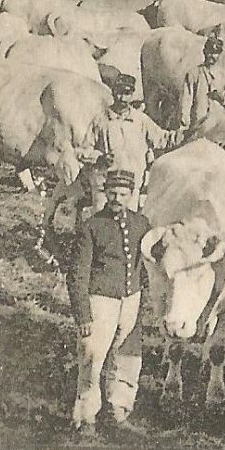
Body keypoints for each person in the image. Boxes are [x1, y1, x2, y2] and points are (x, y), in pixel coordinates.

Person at [67, 169, 151, 434]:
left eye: (122, 194)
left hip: (131, 300)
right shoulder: (91, 226)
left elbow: (148, 263)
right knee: (92, 357)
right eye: (112, 193)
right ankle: (86, 416)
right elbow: (77, 274)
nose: (116, 199)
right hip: (101, 300)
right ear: (105, 193)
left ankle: (119, 410)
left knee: (127, 357)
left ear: (131, 195)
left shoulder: (142, 224)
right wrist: (83, 315)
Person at [97, 74, 174, 210]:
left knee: (130, 224)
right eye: (119, 92)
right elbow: (84, 149)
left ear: (132, 94)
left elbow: (163, 139)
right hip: (107, 189)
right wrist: (99, 158)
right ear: (113, 92)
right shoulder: (102, 121)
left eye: (126, 93)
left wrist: (185, 134)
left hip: (132, 190)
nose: (122, 98)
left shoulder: (141, 120)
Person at [180, 32, 225, 130]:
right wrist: (185, 122)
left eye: (215, 53)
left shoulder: (224, 75)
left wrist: (223, 99)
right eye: (209, 52)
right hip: (198, 124)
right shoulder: (194, 73)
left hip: (218, 125)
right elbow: (186, 99)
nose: (211, 55)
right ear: (204, 52)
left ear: (219, 54)